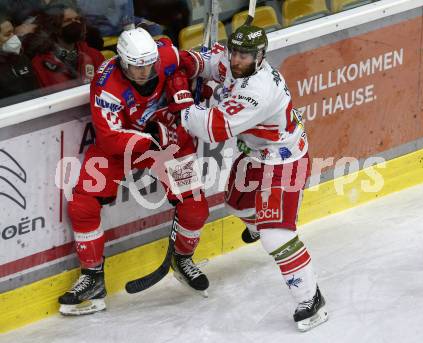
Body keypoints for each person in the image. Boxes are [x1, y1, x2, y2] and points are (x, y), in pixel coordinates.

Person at [169, 25, 329, 331]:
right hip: (256, 154)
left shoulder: (259, 91)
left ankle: (311, 300)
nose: (238, 60)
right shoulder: (233, 62)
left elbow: (211, 128)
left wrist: (182, 102)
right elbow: (207, 62)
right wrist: (187, 63)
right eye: (235, 52)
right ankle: (259, 225)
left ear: (261, 56)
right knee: (236, 205)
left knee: (275, 236)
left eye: (246, 55)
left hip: (284, 160)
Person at [58, 27, 210, 315]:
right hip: (121, 146)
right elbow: (109, 139)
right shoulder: (106, 83)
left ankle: (183, 258)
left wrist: (195, 83)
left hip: (169, 142)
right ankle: (92, 277)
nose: (143, 73)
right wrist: (152, 136)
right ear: (122, 62)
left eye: (148, 66)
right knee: (83, 204)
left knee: (195, 207)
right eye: (136, 67)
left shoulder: (164, 55)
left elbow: (192, 62)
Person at [31, 3, 104, 90]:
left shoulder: (94, 55)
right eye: (68, 20)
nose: (75, 23)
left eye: (77, 19)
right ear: (54, 27)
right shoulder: (39, 63)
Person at [0, 14, 39, 100]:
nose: (13, 37)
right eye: (7, 34)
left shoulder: (21, 58)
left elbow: (36, 88)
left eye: (13, 32)